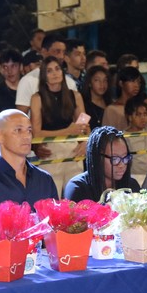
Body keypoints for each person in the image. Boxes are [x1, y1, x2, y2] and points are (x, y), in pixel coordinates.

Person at [0, 110, 58, 211]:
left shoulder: (45, 179)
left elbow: (56, 218)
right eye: (18, 130)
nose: (26, 136)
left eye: (29, 130)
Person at [30, 57, 88, 193]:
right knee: (52, 196)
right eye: (49, 71)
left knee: (75, 195)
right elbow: (36, 133)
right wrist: (67, 131)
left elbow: (84, 125)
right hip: (50, 150)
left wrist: (85, 142)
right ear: (44, 76)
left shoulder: (75, 95)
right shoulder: (37, 98)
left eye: (57, 69)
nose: (55, 73)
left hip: (73, 150)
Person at [64, 126, 140, 202]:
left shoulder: (132, 186)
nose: (122, 165)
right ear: (98, 158)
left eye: (125, 158)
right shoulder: (78, 188)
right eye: (115, 159)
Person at [14, 33, 76, 114]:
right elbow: (21, 115)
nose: (61, 56)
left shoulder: (70, 82)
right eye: (57, 51)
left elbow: (78, 115)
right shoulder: (28, 81)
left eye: (64, 52)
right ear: (44, 52)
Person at [0, 47, 23, 112]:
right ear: (1, 69)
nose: (9, 71)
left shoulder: (30, 86)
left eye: (13, 66)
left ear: (21, 67)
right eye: (5, 67)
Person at [82, 64, 110, 130]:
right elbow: (81, 129)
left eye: (105, 80)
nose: (102, 84)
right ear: (89, 83)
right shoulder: (83, 105)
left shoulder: (110, 103)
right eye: (97, 80)